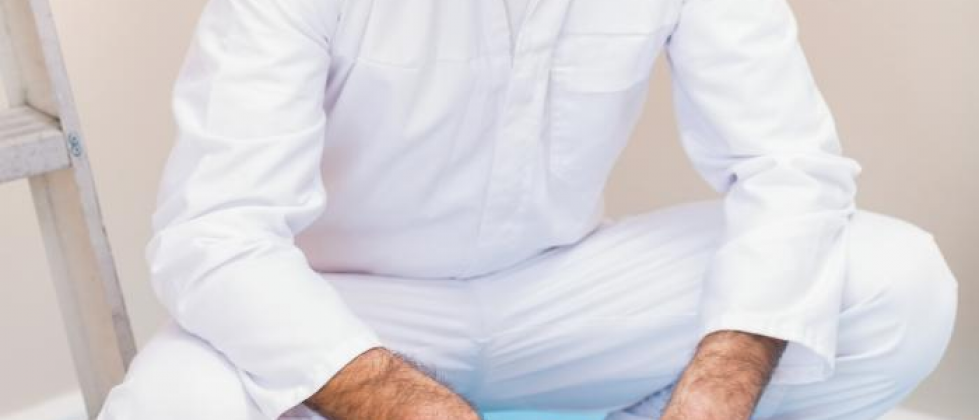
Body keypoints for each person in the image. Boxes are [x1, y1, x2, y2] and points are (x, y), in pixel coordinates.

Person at [97, 0, 959, 419]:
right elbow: (215, 233)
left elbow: (790, 166)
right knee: (167, 408)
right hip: (352, 310)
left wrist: (713, 396)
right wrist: (418, 410)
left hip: (563, 293)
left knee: (898, 284)